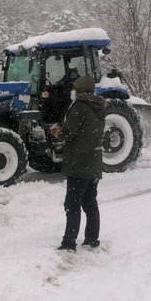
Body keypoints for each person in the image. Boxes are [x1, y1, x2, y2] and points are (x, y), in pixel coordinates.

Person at [56, 75, 106, 251]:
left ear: (80, 92)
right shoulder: (98, 107)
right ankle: (92, 238)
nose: (73, 93)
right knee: (89, 202)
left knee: (72, 204)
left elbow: (68, 132)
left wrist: (57, 132)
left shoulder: (79, 107)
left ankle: (69, 242)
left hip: (79, 163)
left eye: (75, 90)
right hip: (93, 162)